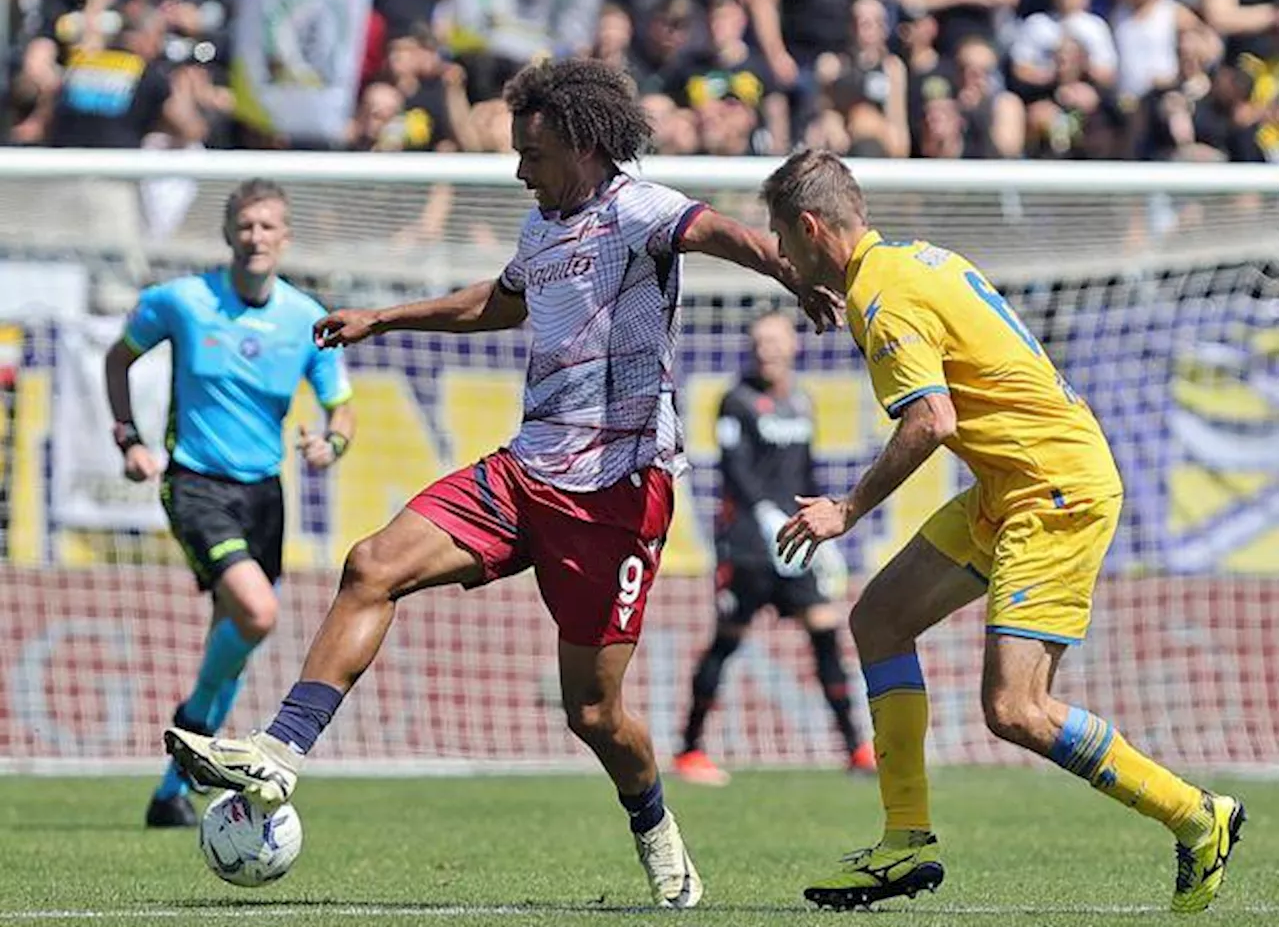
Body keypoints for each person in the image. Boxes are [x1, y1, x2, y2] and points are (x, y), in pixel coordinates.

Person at [163, 58, 838, 908]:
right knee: (372, 564)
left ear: (585, 145)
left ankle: (656, 825)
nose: (521, 171)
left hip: (617, 494)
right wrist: (383, 318)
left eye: (534, 154)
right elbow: (500, 302)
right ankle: (281, 750)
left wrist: (792, 271)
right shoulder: (540, 228)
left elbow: (717, 233)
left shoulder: (637, 206)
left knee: (595, 716)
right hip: (526, 471)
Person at [758, 149, 1245, 913]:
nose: (783, 256)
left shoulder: (883, 300)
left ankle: (1196, 815)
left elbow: (931, 421)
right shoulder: (916, 261)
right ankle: (905, 842)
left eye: (784, 241)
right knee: (879, 619)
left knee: (1016, 710)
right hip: (1010, 482)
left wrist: (846, 511)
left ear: (812, 227)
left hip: (1053, 490)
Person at [104, 179, 356, 828]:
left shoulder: (304, 317)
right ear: (228, 234)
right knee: (257, 610)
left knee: (238, 640)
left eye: (268, 226)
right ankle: (191, 757)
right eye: (246, 226)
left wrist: (331, 443)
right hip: (194, 481)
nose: (256, 238)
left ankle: (171, 792)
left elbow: (340, 407)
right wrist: (128, 437)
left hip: (264, 493)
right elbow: (117, 358)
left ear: (285, 237)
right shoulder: (182, 302)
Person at [674, 311, 873, 787]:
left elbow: (806, 473)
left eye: (776, 340)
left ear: (793, 347)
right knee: (727, 639)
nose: (768, 349)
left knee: (825, 633)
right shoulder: (735, 400)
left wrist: (822, 530)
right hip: (747, 544)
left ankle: (857, 749)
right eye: (760, 341)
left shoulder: (802, 401)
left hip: (797, 540)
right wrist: (763, 513)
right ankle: (689, 750)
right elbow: (734, 468)